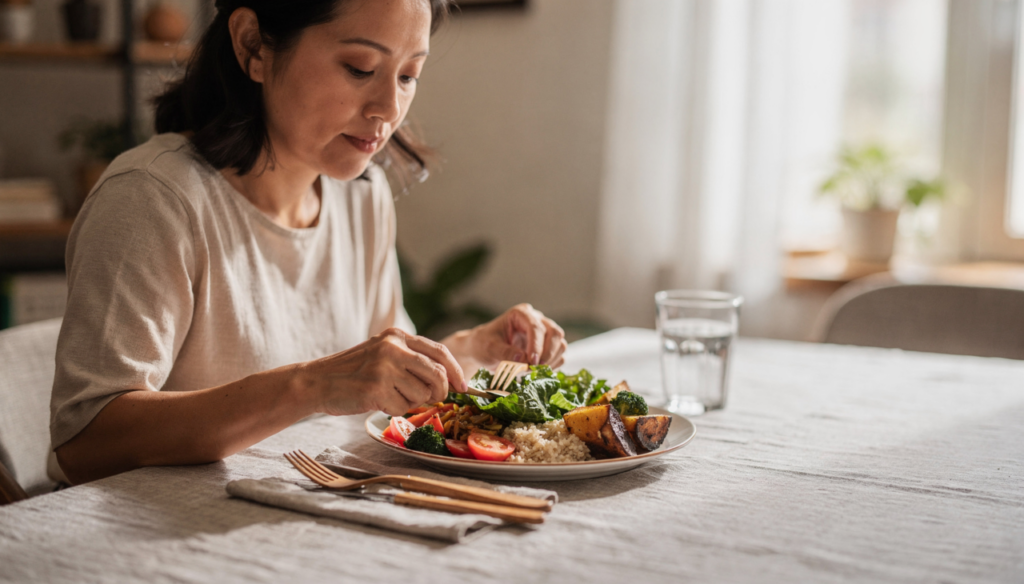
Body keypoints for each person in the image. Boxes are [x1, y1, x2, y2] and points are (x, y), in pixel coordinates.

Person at [50, 0, 567, 485]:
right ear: (253, 44)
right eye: (361, 68)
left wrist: (474, 348)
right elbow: (86, 440)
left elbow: (384, 390)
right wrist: (309, 386)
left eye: (409, 75)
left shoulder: (362, 197)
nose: (389, 107)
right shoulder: (153, 199)